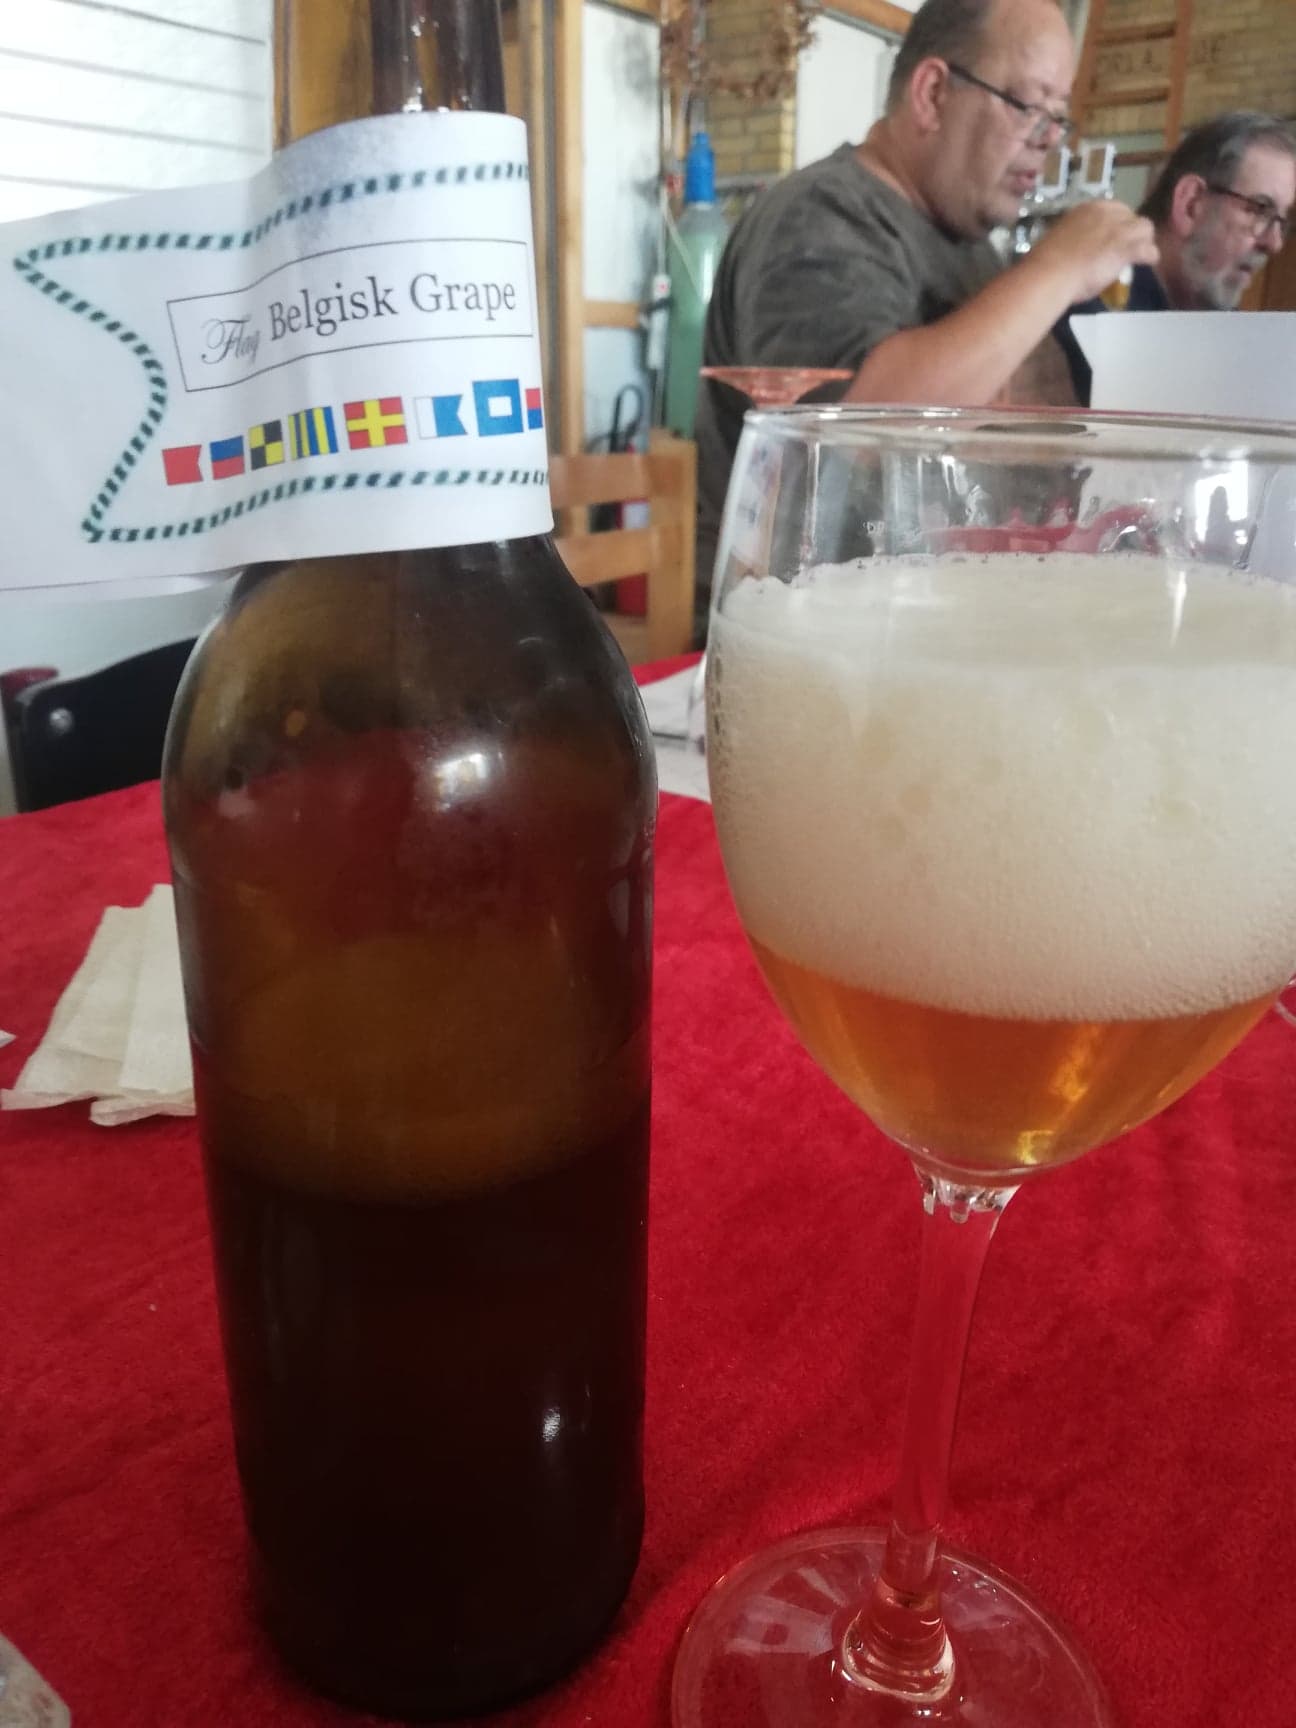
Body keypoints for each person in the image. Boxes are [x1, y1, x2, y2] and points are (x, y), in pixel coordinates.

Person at [693, 0, 1155, 633]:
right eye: (1029, 107)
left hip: (931, 613)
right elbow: (858, 434)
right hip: (808, 631)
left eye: (1058, 118)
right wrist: (1060, 267)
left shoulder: (971, 247)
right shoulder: (820, 216)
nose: (1049, 141)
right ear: (934, 94)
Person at [1059, 112, 1296, 403]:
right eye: (1259, 209)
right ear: (1191, 204)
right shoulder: (1090, 314)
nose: (1275, 243)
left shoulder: (1231, 334)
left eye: (1282, 221)